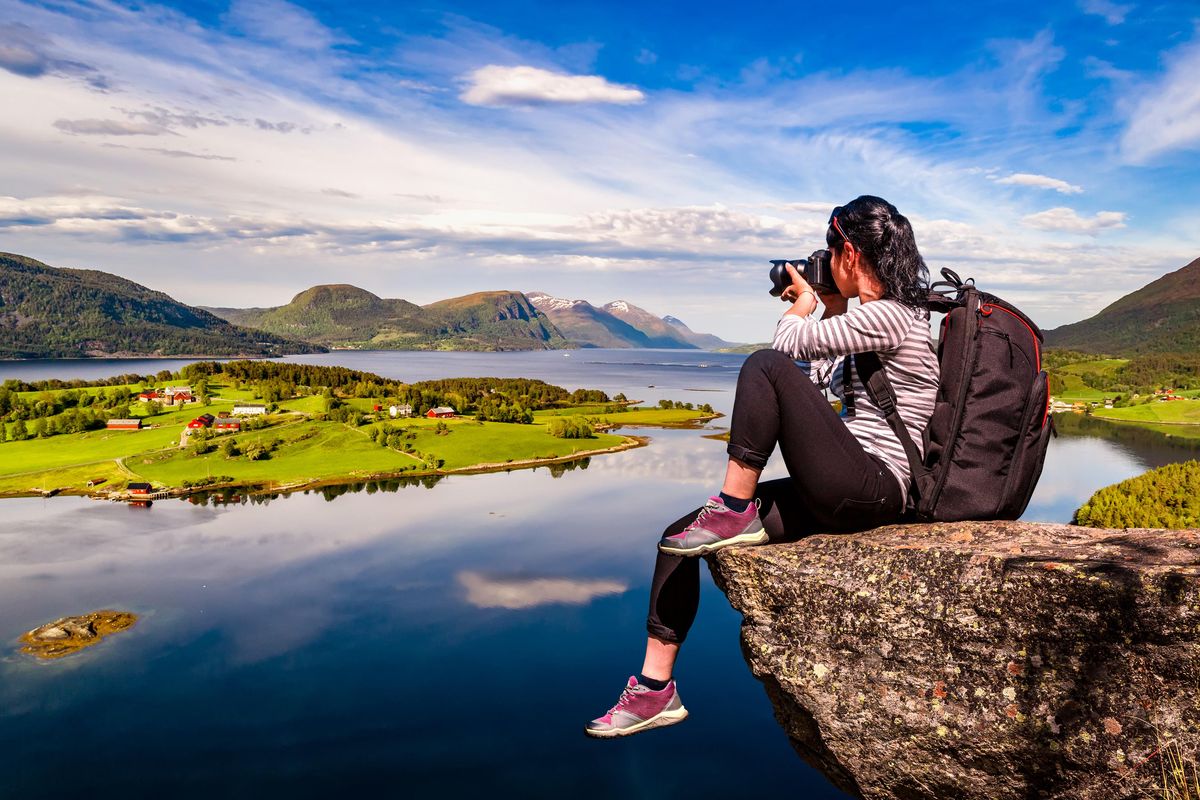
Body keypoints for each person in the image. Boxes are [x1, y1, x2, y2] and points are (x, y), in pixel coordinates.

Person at [585, 195, 940, 738]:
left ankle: (733, 505)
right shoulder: (870, 321)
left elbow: (784, 350)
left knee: (761, 363)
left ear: (847, 251)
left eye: (828, 251)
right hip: (848, 483)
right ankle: (656, 691)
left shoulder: (895, 315)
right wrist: (829, 306)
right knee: (679, 537)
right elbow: (811, 389)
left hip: (878, 486)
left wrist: (802, 308)